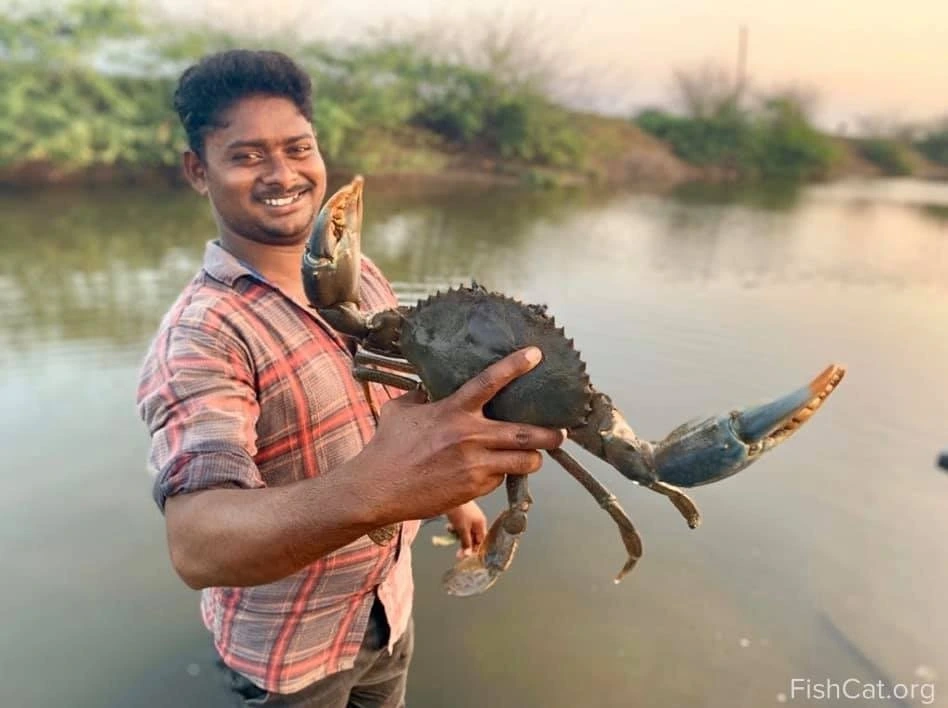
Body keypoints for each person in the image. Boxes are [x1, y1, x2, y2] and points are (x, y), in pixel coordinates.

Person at [136, 49, 565, 707]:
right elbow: (197, 543)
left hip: (387, 609)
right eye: (247, 155)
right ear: (198, 170)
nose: (283, 173)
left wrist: (450, 494)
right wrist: (383, 490)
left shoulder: (358, 274)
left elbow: (402, 400)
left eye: (297, 147)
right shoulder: (201, 335)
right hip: (289, 654)